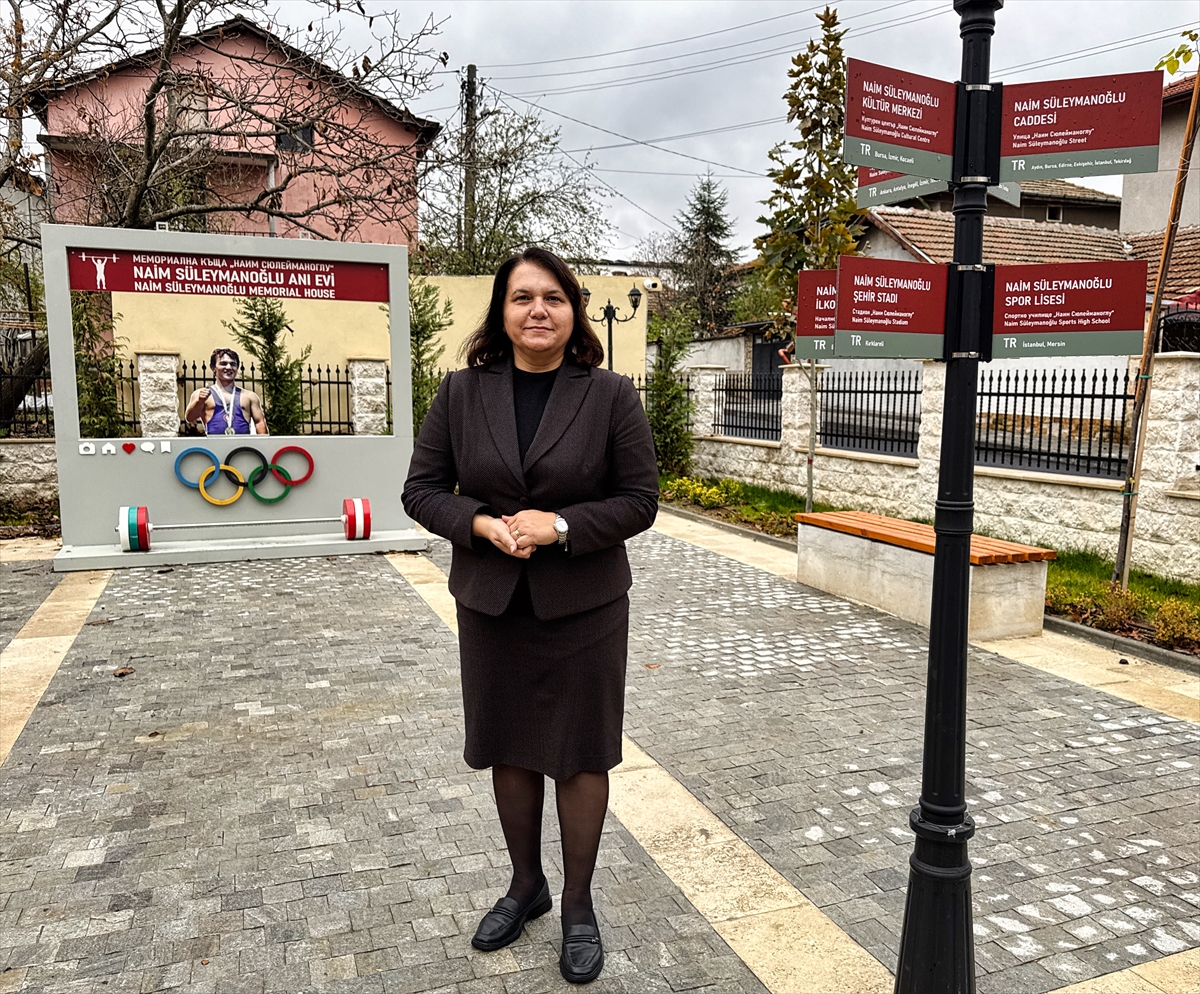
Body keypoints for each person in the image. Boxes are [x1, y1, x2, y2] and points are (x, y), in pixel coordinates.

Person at [402, 248, 658, 985]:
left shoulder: (610, 395)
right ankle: (526, 885)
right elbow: (421, 490)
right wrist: (482, 524)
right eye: (522, 297)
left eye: (553, 297)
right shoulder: (461, 392)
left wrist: (562, 526)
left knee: (580, 754)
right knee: (509, 748)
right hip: (492, 604)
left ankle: (577, 905)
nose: (538, 310)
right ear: (501, 312)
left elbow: (640, 500)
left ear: (573, 311)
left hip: (585, 606)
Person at [183, 348, 268, 435]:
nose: (229, 367)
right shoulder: (201, 394)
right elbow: (190, 418)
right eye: (223, 364)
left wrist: (264, 442)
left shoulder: (250, 396)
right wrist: (200, 401)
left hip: (242, 443)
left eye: (233, 364)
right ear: (213, 368)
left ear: (237, 368)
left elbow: (260, 423)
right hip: (214, 443)